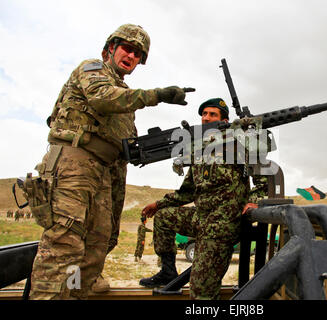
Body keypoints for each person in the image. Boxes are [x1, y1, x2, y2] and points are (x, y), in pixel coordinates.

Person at [29, 24, 195, 300]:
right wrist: (158, 95)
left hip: (104, 173)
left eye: (138, 54)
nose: (131, 56)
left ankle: (75, 294)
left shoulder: (124, 96)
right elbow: (102, 98)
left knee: (95, 248)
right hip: (74, 164)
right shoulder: (92, 70)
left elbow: (122, 147)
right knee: (64, 245)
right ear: (110, 49)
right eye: (127, 49)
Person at [139, 98, 267, 299]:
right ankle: (168, 271)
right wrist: (158, 204)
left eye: (212, 114)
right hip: (201, 217)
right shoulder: (200, 151)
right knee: (164, 217)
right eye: (204, 114)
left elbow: (265, 182)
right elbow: (187, 192)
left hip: (221, 225)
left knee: (200, 291)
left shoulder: (239, 145)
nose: (206, 118)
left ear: (224, 120)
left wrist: (255, 201)